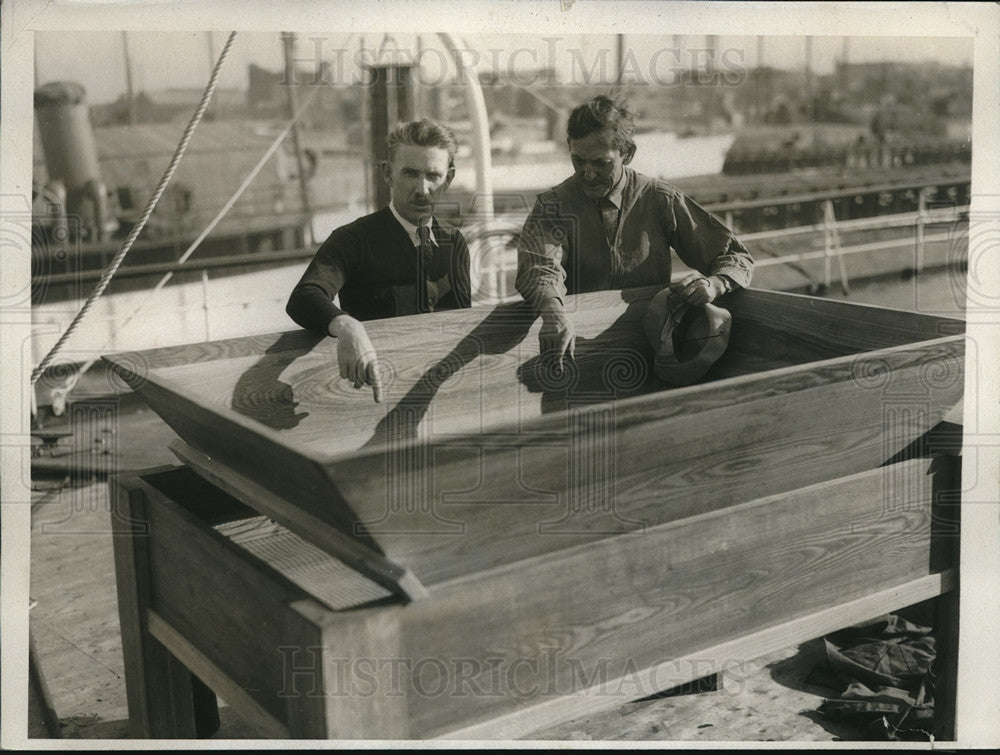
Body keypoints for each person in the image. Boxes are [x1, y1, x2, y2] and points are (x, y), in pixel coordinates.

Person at [515, 95, 754, 370]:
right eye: (579, 161)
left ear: (627, 154)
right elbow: (538, 267)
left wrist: (715, 285)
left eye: (601, 163)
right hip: (577, 355)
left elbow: (734, 255)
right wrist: (553, 313)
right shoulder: (552, 206)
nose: (588, 174)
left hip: (651, 353)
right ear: (569, 147)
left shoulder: (660, 199)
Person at [286, 119, 472, 402]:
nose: (422, 189)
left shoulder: (454, 243)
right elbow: (304, 296)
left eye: (433, 175)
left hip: (440, 397)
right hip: (374, 395)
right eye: (410, 173)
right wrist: (348, 326)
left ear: (448, 178)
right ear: (388, 174)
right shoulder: (352, 239)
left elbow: (460, 324)